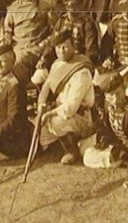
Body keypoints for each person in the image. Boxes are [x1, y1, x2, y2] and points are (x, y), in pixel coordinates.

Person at [36, 30, 96, 165]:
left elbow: (70, 108)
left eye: (64, 47)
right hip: (61, 112)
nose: (61, 51)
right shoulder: (57, 64)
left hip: (80, 117)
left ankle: (72, 149)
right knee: (39, 131)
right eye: (58, 47)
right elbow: (47, 86)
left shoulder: (82, 71)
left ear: (73, 47)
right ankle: (61, 141)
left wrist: (49, 114)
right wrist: (41, 105)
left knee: (55, 123)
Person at [85, 70, 128, 188]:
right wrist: (105, 139)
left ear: (124, 90)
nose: (115, 99)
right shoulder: (108, 105)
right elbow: (107, 127)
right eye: (111, 95)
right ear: (106, 96)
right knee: (87, 154)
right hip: (120, 146)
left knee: (90, 156)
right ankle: (120, 158)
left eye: (118, 93)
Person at [1, 0, 52, 70]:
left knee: (19, 63)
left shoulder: (44, 5)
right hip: (16, 46)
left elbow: (54, 30)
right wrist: (6, 41)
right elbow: (7, 30)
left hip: (34, 47)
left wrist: (45, 44)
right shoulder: (13, 8)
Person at [47, 0, 100, 65]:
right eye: (68, 6)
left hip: (80, 61)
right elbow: (52, 42)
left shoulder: (87, 23)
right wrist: (44, 59)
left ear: (79, 6)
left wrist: (81, 63)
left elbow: (91, 50)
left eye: (74, 6)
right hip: (62, 59)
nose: (71, 10)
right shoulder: (61, 21)